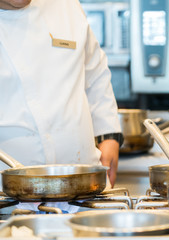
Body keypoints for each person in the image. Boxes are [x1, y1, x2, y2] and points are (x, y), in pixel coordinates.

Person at [0, 0, 122, 197]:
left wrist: (108, 134)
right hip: (8, 198)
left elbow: (94, 72)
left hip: (87, 186)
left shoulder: (65, 5)